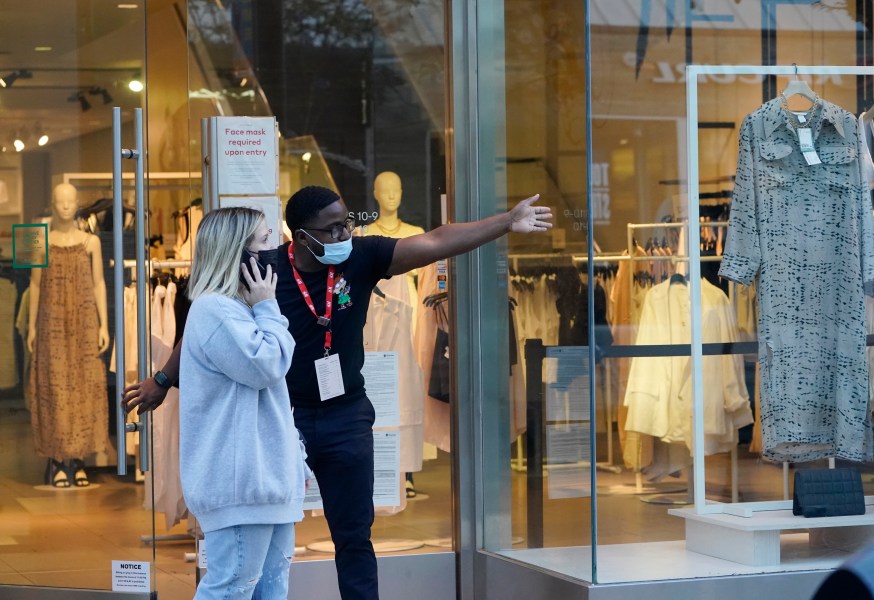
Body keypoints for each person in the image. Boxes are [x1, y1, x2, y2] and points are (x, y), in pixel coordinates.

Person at [123, 186, 552, 600]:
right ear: (301, 236)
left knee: (353, 536)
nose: (345, 233)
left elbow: (436, 240)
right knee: (268, 541)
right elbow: (213, 321)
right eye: (332, 229)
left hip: (345, 416)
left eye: (346, 223)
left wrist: (506, 222)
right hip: (282, 421)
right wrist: (162, 381)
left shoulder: (362, 256)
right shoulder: (264, 269)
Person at [177, 206, 309, 600]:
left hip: (267, 484)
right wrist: (269, 306)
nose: (276, 248)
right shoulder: (213, 309)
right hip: (241, 487)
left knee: (270, 589)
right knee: (231, 589)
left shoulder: (240, 308)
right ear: (238, 252)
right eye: (265, 240)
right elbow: (266, 365)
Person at [28, 182, 109, 488]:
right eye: (59, 201)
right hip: (51, 322)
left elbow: (99, 283)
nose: (64, 206)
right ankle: (58, 459)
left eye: (69, 201)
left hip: (84, 321)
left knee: (85, 385)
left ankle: (78, 458)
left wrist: (103, 324)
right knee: (55, 388)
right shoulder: (39, 239)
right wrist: (33, 326)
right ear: (52, 203)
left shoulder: (91, 243)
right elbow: (35, 284)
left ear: (77, 204)